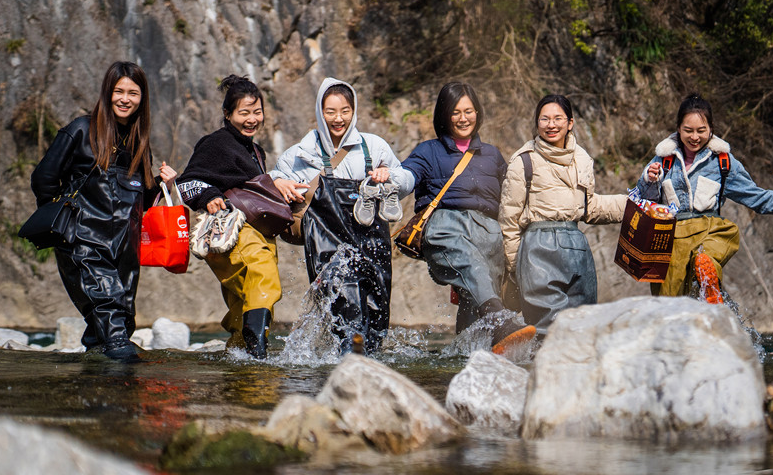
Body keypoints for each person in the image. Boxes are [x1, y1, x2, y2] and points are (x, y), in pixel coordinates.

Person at [636, 93, 773, 302]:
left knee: (706, 258)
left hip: (707, 231)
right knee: (669, 308)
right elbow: (644, 199)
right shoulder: (662, 160)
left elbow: (754, 195)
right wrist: (649, 179)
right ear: (678, 129)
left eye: (701, 130)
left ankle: (708, 281)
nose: (695, 137)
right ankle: (704, 312)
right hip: (668, 242)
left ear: (711, 129)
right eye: (688, 130)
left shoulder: (723, 163)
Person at [31, 61, 176, 362]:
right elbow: (44, 177)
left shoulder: (139, 142)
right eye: (118, 91)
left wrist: (162, 183)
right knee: (113, 327)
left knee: (118, 320)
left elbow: (141, 201)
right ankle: (120, 390)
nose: (125, 99)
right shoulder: (81, 130)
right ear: (107, 93)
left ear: (142, 98)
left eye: (133, 93)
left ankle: (97, 396)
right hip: (83, 243)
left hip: (123, 249)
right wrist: (64, 225)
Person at [271, 77, 413, 354]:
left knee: (377, 312)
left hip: (372, 239)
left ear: (354, 110)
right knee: (345, 301)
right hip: (326, 242)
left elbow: (406, 180)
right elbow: (274, 177)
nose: (338, 118)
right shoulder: (302, 152)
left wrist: (389, 176)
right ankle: (351, 358)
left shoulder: (373, 146)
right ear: (319, 112)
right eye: (330, 111)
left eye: (345, 111)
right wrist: (279, 183)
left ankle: (362, 363)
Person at [169, 75, 306, 359]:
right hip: (234, 227)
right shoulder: (216, 143)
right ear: (228, 114)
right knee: (263, 277)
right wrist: (209, 197)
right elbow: (187, 184)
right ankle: (257, 357)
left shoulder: (255, 149)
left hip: (258, 230)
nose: (252, 119)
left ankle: (239, 358)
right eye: (244, 113)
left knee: (242, 297)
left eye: (257, 112)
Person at [401, 82, 535, 354]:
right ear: (443, 115)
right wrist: (391, 179)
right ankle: (500, 321)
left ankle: (464, 360)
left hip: (488, 233)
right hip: (446, 226)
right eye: (455, 112)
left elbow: (514, 194)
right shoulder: (428, 151)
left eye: (469, 111)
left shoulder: (492, 155)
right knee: (474, 271)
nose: (463, 118)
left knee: (476, 300)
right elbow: (407, 176)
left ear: (478, 113)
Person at [499, 94, 625, 333]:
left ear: (570, 122)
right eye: (544, 119)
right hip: (537, 251)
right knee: (545, 330)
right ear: (537, 123)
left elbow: (589, 207)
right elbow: (509, 221)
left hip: (577, 251)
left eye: (558, 118)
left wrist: (632, 206)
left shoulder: (582, 159)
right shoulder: (523, 162)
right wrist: (515, 267)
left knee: (581, 328)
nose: (551, 124)